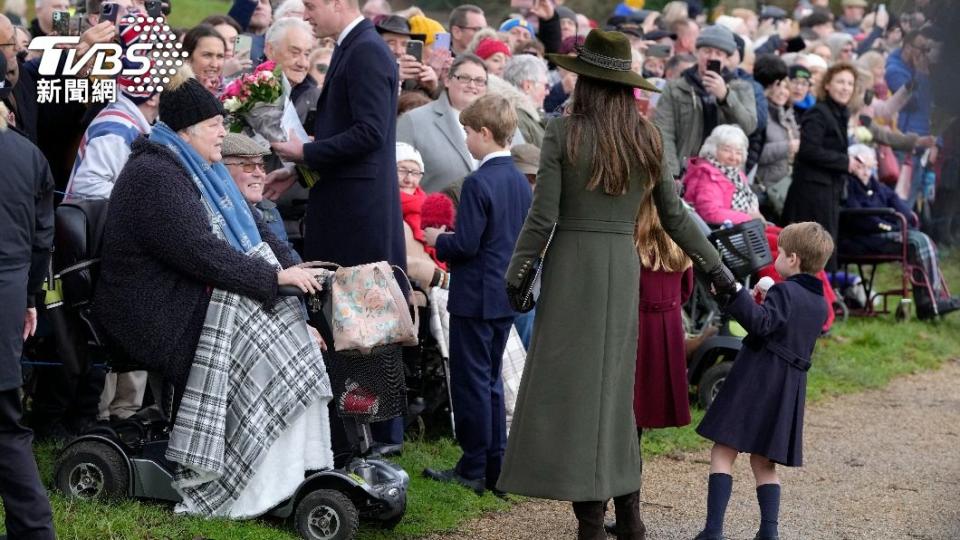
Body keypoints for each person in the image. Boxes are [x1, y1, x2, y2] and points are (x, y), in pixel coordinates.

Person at [497, 30, 731, 540]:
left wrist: (517, 273)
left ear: (585, 82)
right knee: (617, 393)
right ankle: (629, 513)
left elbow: (543, 217)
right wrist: (717, 266)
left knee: (578, 394)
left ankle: (589, 522)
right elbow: (676, 215)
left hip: (572, 269)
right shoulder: (646, 136)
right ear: (624, 85)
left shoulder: (563, 133)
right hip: (624, 269)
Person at [270, 0, 407, 451]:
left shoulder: (366, 51)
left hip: (358, 218)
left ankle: (378, 437)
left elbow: (370, 133)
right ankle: (363, 432)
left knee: (367, 329)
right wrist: (299, 171)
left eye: (311, 5)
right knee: (356, 328)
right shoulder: (357, 47)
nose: (307, 14)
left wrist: (304, 154)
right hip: (350, 207)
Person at [693, 222, 835, 540]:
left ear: (794, 259)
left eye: (781, 253)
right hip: (788, 388)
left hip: (758, 378)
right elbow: (785, 328)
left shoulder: (784, 291)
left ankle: (714, 530)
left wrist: (737, 295)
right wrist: (767, 296)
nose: (778, 257)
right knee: (763, 460)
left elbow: (761, 325)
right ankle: (769, 532)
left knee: (723, 451)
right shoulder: (819, 303)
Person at [421, 94, 532, 496]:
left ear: (484, 133)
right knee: (491, 383)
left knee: (472, 383)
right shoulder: (519, 180)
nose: (465, 138)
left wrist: (439, 239)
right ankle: (495, 467)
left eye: (467, 131)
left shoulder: (479, 181)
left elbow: (466, 245)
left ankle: (472, 466)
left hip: (475, 295)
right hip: (503, 293)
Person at [0, 55, 57, 540]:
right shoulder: (29, 156)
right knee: (6, 427)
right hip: (8, 302)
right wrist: (31, 298)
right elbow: (43, 240)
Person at [840, 144, 960, 319]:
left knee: (923, 241)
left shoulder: (877, 186)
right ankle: (929, 302)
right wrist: (894, 226)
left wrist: (907, 217)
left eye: (870, 167)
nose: (867, 171)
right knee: (917, 242)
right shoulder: (848, 186)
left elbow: (898, 205)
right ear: (853, 165)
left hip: (882, 235)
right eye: (862, 166)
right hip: (863, 239)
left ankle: (931, 299)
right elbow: (863, 220)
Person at [653, 24, 758, 179]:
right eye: (707, 51)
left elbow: (749, 126)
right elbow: (664, 133)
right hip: (684, 173)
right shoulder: (676, 87)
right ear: (697, 52)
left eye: (718, 53)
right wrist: (672, 175)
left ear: (726, 58)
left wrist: (725, 96)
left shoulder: (741, 88)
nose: (712, 57)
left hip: (724, 177)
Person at [782, 62, 859, 272]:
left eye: (850, 84)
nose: (845, 88)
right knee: (811, 255)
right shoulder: (819, 112)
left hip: (827, 191)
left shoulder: (839, 113)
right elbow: (808, 150)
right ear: (827, 85)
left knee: (823, 254)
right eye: (840, 82)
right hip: (811, 194)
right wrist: (845, 162)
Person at [396, 54, 488, 193]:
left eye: (480, 81)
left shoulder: (500, 124)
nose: (472, 85)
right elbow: (394, 175)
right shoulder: (413, 121)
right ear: (447, 80)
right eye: (464, 78)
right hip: (429, 212)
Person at [222, 132, 298, 253]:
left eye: (261, 166)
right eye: (248, 165)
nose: (259, 174)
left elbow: (287, 254)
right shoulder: (216, 216)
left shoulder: (270, 210)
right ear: (222, 172)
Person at [395, 142, 449, 289]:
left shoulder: (433, 211)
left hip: (433, 297)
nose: (409, 179)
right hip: (400, 295)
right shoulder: (382, 209)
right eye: (402, 170)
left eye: (415, 173)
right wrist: (436, 275)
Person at [183, 24, 227, 95]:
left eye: (220, 56)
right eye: (207, 55)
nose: (214, 64)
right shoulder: (174, 92)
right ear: (187, 58)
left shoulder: (231, 93)